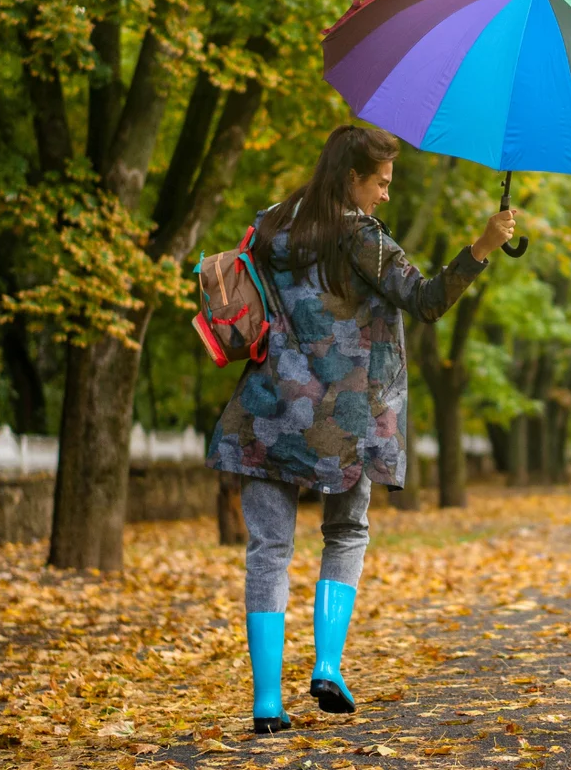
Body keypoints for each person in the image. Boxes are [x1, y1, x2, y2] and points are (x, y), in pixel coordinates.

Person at [207, 125, 517, 734]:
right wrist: (481, 246)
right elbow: (425, 300)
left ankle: (267, 703)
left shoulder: (272, 223)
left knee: (268, 550)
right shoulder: (361, 236)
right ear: (353, 178)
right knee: (346, 530)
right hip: (344, 421)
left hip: (267, 413)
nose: (385, 195)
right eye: (380, 183)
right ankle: (326, 665)